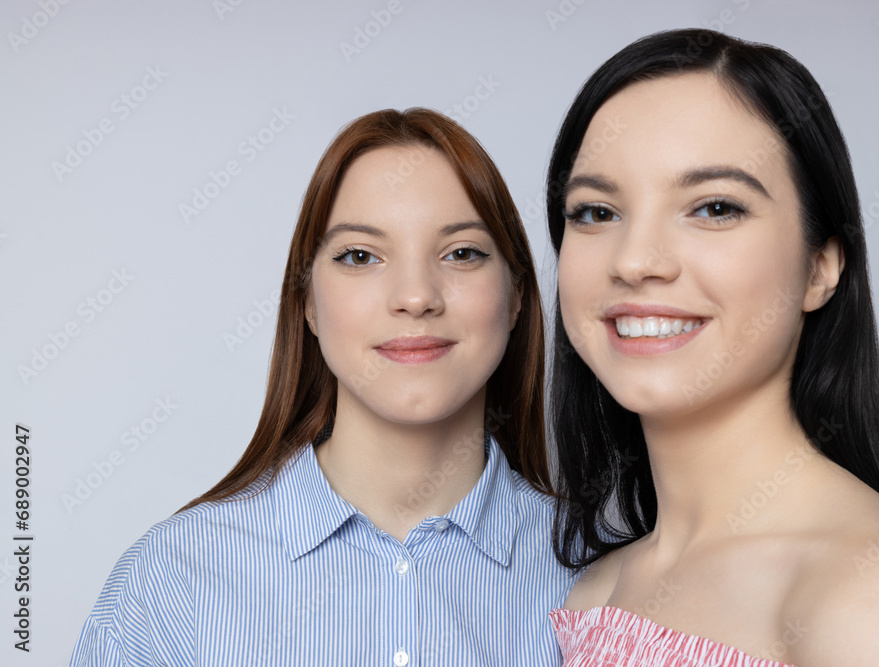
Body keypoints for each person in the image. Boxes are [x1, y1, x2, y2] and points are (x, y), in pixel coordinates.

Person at [544, 29, 879, 666]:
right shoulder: (590, 592)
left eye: (715, 207)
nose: (636, 260)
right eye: (595, 212)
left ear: (820, 267)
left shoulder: (876, 601)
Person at [70, 108, 574, 666]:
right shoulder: (173, 580)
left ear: (517, 296)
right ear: (308, 302)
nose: (414, 296)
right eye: (360, 256)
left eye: (461, 253)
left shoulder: (595, 576)